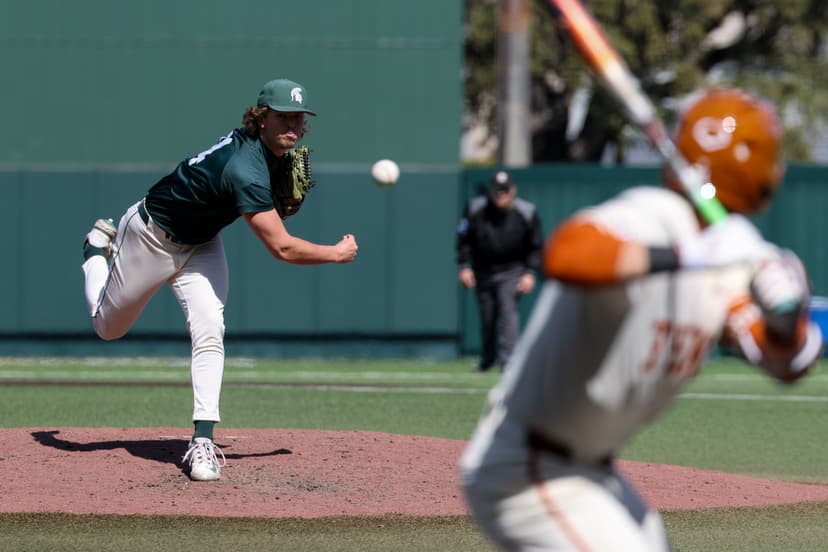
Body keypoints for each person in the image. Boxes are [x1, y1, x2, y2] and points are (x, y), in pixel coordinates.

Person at [459, 88, 823, 551]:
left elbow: (784, 364)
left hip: (591, 471)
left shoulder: (737, 253)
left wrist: (784, 316)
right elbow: (568, 253)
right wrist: (688, 254)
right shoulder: (653, 216)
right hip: (527, 469)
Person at [80, 78, 358, 482]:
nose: (293, 125)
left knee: (210, 327)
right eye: (283, 116)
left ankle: (202, 440)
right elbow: (281, 248)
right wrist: (335, 253)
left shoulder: (271, 151)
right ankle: (93, 252)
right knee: (108, 328)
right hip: (149, 235)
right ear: (260, 118)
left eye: (299, 116)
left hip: (200, 244)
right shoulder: (243, 167)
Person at [456, 170, 543, 372]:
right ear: (490, 190)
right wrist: (464, 266)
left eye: (504, 190)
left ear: (512, 190)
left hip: (512, 270)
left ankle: (509, 362)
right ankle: (488, 359)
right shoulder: (475, 209)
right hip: (483, 269)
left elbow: (536, 245)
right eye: (497, 190)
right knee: (487, 317)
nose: (500, 195)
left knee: (508, 312)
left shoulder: (526, 211)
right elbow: (463, 240)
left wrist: (530, 272)